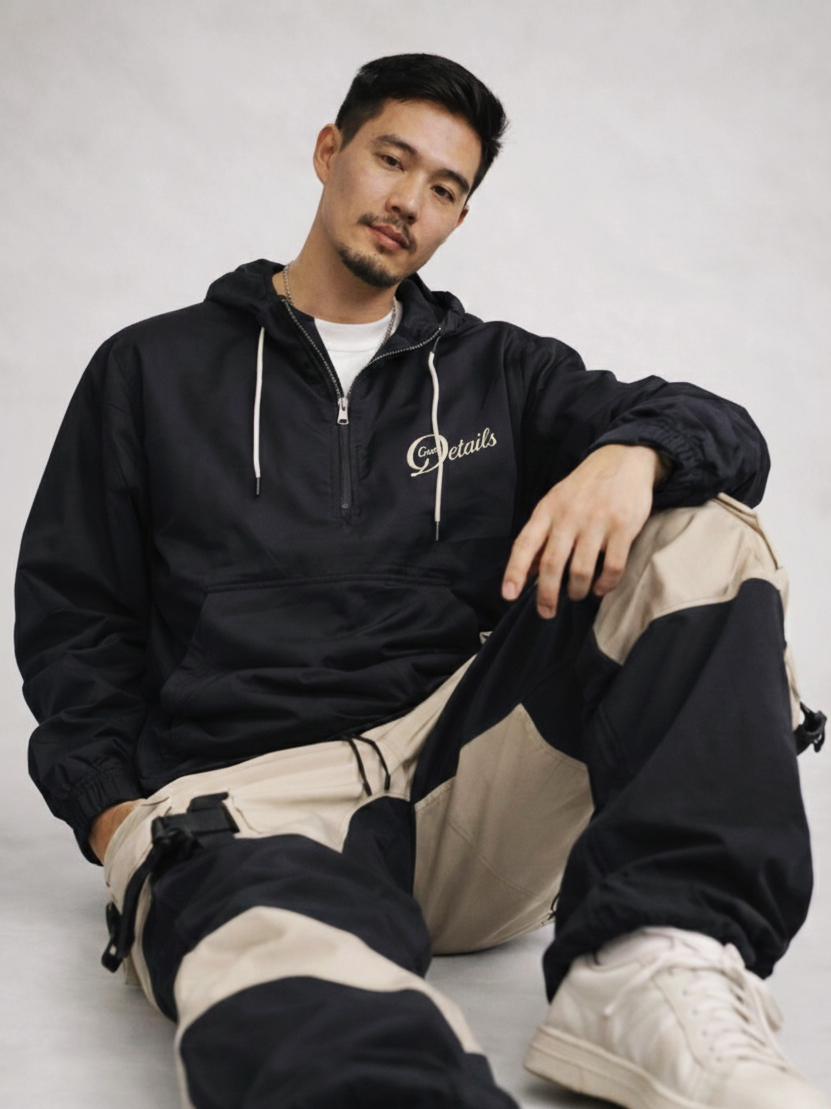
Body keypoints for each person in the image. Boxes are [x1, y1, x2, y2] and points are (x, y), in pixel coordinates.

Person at [14, 52, 829, 1109]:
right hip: (255, 811)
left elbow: (723, 428)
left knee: (702, 528)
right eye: (392, 160)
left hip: (461, 788)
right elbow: (75, 620)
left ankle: (652, 964)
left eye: (446, 188)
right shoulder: (151, 369)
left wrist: (632, 456)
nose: (409, 201)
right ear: (329, 152)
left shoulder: (500, 371)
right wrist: (113, 817)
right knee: (300, 1000)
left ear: (459, 216)